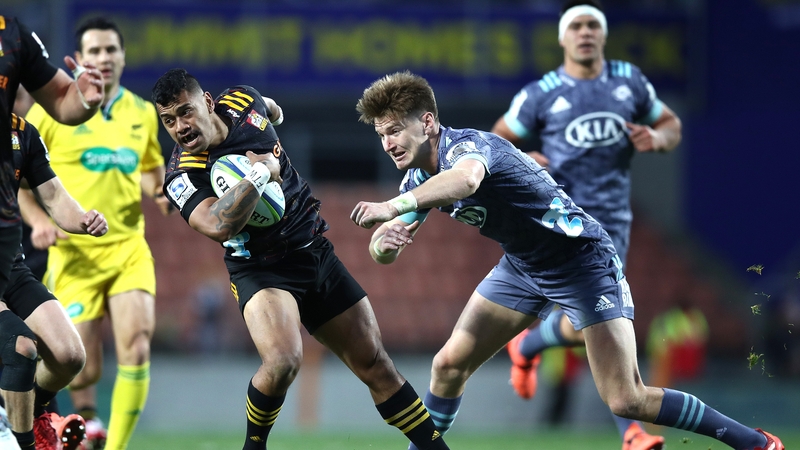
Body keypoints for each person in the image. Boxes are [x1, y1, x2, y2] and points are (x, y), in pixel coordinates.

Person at [351, 70, 783, 450]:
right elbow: (384, 247)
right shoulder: (418, 177)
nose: (388, 144)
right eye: (381, 135)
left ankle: (754, 442)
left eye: (394, 130)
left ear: (427, 122)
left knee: (627, 399)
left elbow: (466, 181)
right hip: (523, 266)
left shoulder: (467, 147)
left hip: (581, 263)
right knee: (447, 366)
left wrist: (392, 206)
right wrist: (384, 245)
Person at [152, 68, 449, 450]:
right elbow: (217, 224)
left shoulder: (243, 100)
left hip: (313, 249)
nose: (180, 127)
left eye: (186, 111)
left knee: (376, 365)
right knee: (283, 361)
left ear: (207, 102)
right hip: (260, 269)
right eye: (169, 120)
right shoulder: (181, 175)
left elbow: (270, 109)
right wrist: (261, 174)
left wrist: (273, 118)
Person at [489, 1, 682, 448]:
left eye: (593, 25)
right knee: (602, 320)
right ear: (562, 37)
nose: (585, 32)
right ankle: (631, 431)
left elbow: (670, 123)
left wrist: (658, 137)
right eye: (576, 25)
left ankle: (529, 345)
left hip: (612, 222)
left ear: (604, 35)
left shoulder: (629, 81)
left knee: (590, 324)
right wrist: (522, 158)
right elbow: (497, 138)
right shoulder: (542, 92)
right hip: (560, 217)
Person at [23, 16, 171, 450]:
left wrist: (160, 191)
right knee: (80, 366)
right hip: (75, 254)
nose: (104, 58)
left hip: (128, 247)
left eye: (111, 50)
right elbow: (19, 180)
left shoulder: (142, 112)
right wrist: (39, 222)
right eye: (95, 51)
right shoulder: (51, 110)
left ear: (123, 57)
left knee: (137, 345)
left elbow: (150, 169)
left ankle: (115, 446)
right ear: (79, 58)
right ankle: (81, 422)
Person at [0, 13, 102, 450]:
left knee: (69, 355)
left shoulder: (24, 136)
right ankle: (22, 439)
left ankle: (25, 411)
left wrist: (84, 220)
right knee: (20, 347)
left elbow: (56, 197)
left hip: (11, 265)